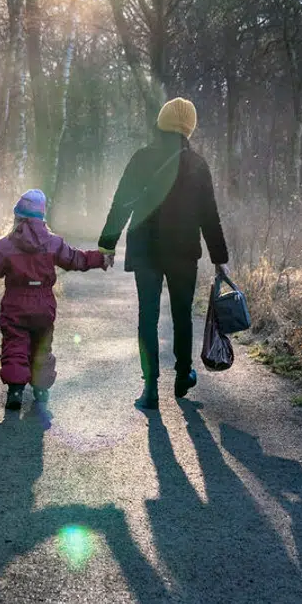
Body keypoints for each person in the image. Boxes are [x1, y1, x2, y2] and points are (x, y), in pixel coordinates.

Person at [99, 97, 228, 410]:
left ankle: (150, 389)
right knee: (183, 316)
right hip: (183, 252)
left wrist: (107, 244)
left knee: (148, 317)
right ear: (189, 129)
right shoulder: (197, 165)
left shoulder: (142, 158)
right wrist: (219, 258)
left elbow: (121, 203)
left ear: (160, 123)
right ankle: (183, 376)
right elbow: (209, 214)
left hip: (146, 250)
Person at [0, 189, 108, 410]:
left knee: (15, 344)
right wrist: (100, 259)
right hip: (43, 304)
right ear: (42, 217)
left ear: (18, 216)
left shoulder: (7, 244)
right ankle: (41, 389)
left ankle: (15, 390)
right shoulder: (53, 243)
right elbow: (75, 259)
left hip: (15, 303)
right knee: (42, 345)